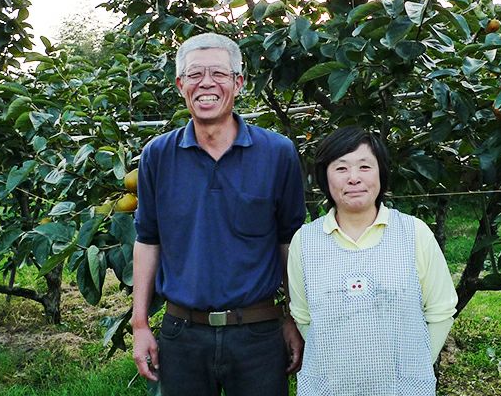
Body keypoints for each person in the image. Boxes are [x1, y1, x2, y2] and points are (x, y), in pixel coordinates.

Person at [131, 33, 306, 396]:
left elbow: (289, 242)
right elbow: (148, 241)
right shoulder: (157, 156)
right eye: (194, 74)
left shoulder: (277, 153)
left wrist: (293, 317)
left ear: (238, 83)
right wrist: (140, 324)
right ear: (180, 85)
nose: (206, 83)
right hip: (183, 333)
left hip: (258, 332)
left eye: (219, 74)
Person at [287, 126, 458, 396]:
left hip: (402, 389)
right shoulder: (306, 241)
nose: (354, 178)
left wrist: (415, 368)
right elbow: (303, 316)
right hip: (330, 387)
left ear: (381, 173)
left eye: (365, 167)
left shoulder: (413, 233)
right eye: (341, 168)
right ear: (324, 177)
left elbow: (441, 311)